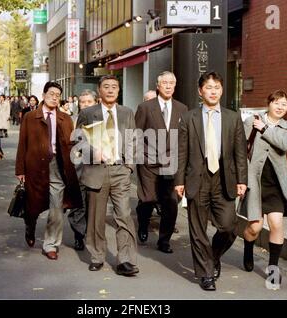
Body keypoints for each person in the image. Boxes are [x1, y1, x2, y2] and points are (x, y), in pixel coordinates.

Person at [174, 71, 248, 291]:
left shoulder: (233, 117)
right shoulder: (189, 118)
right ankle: (205, 274)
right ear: (200, 91)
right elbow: (181, 152)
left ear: (222, 90)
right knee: (197, 229)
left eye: (217, 87)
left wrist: (242, 179)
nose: (213, 91)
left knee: (229, 226)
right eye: (208, 87)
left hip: (224, 178)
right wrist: (179, 180)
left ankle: (213, 256)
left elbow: (240, 152)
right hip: (197, 177)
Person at [76, 75, 138, 276]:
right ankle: (97, 256)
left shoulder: (127, 113)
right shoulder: (87, 113)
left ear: (119, 91)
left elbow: (132, 140)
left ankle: (126, 259)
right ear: (99, 90)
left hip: (120, 170)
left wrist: (129, 166)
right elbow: (77, 141)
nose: (110, 90)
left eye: (114, 87)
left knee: (124, 215)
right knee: (96, 217)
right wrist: (92, 152)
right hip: (96, 170)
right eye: (106, 87)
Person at [241, 90, 287, 287]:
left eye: (284, 104)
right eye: (276, 102)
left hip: (276, 185)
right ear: (269, 103)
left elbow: (284, 145)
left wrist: (265, 129)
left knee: (276, 224)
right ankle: (248, 247)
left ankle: (273, 270)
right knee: (255, 228)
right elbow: (240, 148)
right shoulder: (252, 121)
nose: (280, 107)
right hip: (255, 182)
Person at [15, 82, 82, 260]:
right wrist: (20, 169)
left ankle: (51, 244)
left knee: (56, 208)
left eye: (58, 95)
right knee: (33, 206)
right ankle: (30, 226)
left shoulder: (65, 119)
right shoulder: (30, 117)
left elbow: (71, 144)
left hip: (58, 167)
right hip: (35, 167)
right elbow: (23, 144)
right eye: (51, 93)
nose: (54, 97)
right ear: (44, 95)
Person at [135, 71, 187, 253]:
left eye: (171, 83)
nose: (168, 86)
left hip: (171, 164)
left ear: (175, 85)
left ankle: (164, 240)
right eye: (164, 83)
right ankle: (143, 225)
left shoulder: (182, 109)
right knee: (148, 200)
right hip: (149, 162)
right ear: (158, 86)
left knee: (171, 203)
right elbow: (137, 135)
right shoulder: (146, 107)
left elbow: (183, 138)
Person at [67, 89, 98, 251]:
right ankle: (79, 234)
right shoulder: (72, 120)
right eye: (82, 102)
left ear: (96, 102)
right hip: (77, 167)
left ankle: (90, 234)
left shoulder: (101, 121)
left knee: (93, 204)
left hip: (97, 168)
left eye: (89, 102)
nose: (85, 105)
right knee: (79, 203)